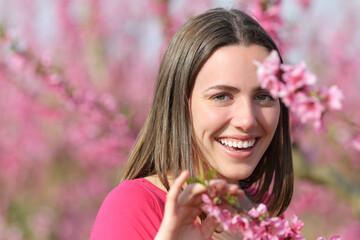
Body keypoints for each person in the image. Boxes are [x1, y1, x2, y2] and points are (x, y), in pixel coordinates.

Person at [90, 7, 293, 240]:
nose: (247, 120)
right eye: (221, 97)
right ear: (180, 105)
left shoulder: (262, 212)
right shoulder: (133, 206)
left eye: (263, 96)